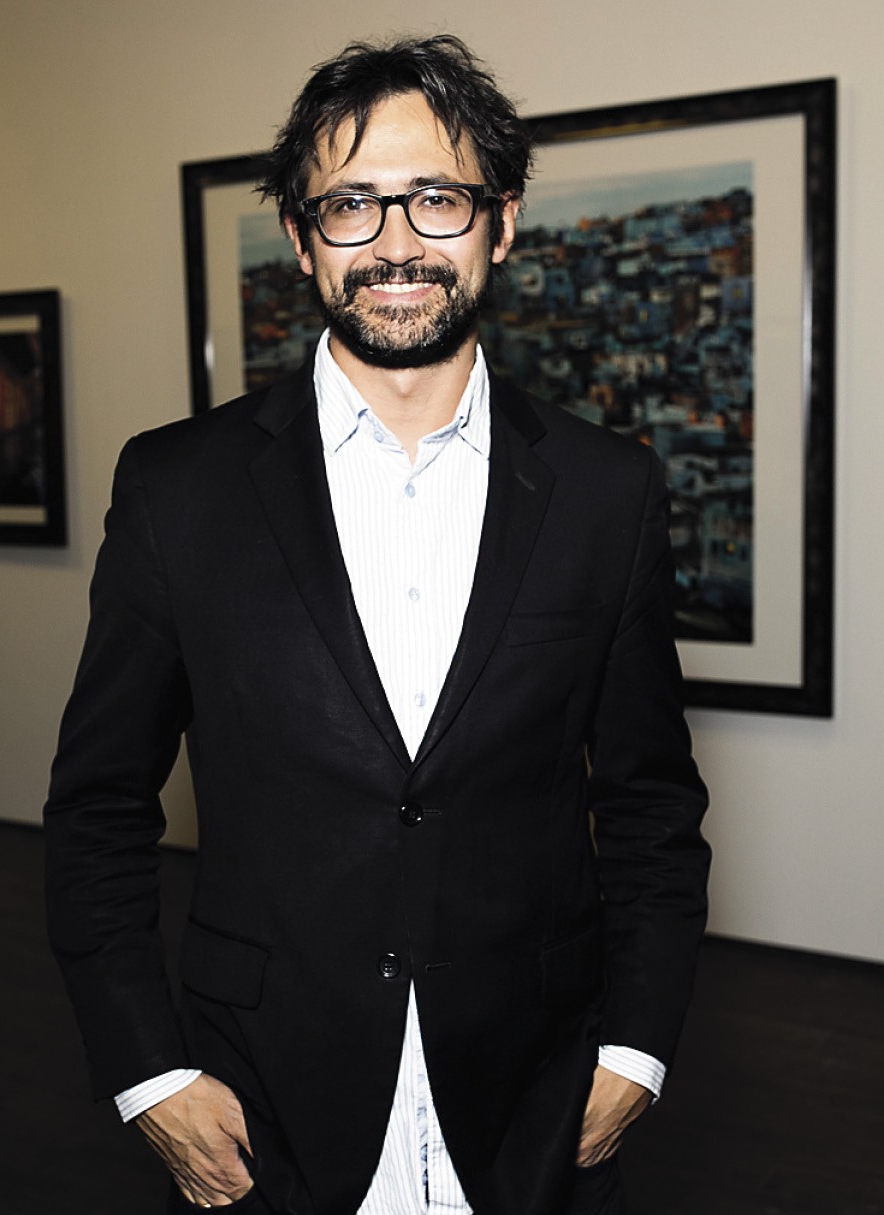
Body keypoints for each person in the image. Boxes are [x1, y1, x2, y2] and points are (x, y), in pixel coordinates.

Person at [44, 35, 710, 1215]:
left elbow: (652, 806)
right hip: (259, 1106)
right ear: (302, 239)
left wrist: (638, 1052)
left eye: (437, 198)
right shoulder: (176, 488)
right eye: (352, 204)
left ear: (500, 224)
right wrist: (148, 1074)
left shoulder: (609, 491)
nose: (397, 242)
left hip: (534, 1102)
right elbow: (98, 808)